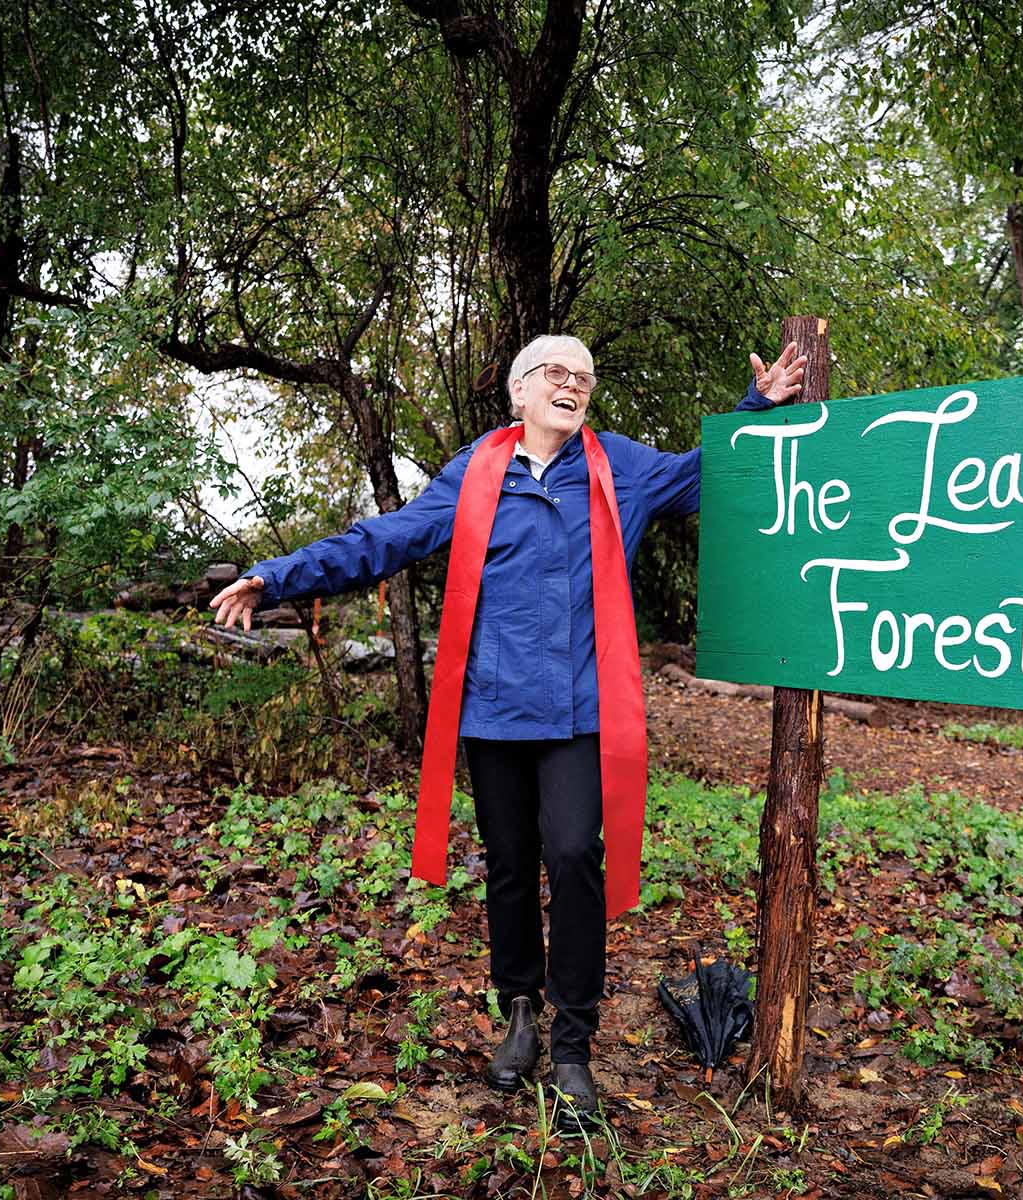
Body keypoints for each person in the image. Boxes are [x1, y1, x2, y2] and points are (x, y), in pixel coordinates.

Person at [210, 334, 806, 1129]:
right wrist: (276, 575)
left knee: (572, 853)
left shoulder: (618, 466)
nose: (574, 384)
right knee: (512, 867)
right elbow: (383, 540)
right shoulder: (475, 474)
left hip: (583, 712)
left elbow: (704, 473)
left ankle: (573, 1045)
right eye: (556, 373)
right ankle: (520, 1013)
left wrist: (755, 411)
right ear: (519, 394)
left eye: (585, 375)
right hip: (493, 712)